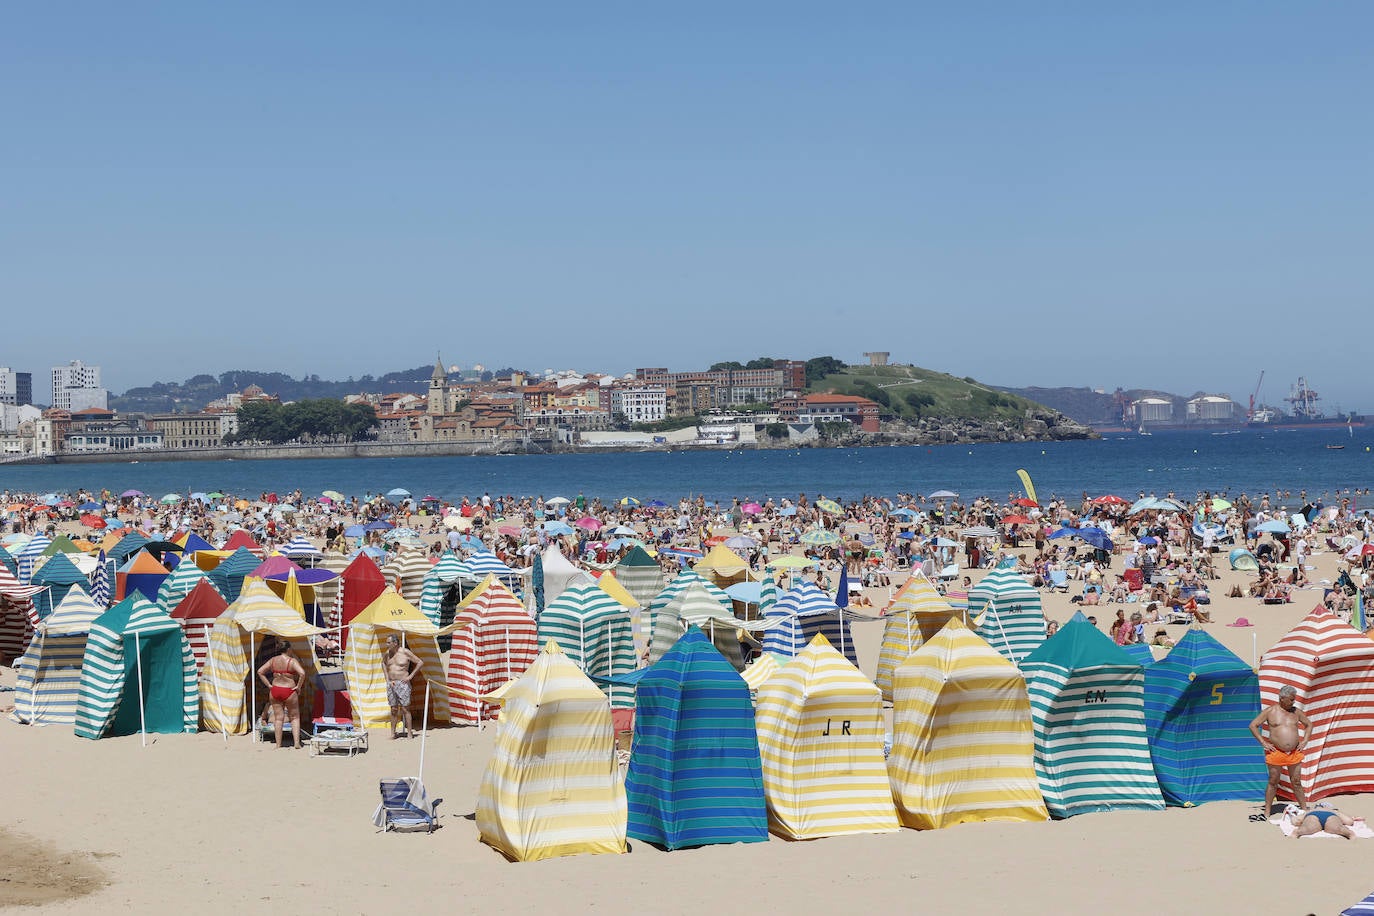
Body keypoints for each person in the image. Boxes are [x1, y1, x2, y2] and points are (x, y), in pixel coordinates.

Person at [1250, 685, 1312, 816]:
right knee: (1273, 781)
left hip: (1294, 752)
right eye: (1291, 699)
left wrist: (1305, 740)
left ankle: (1304, 808)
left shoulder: (1296, 712)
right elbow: (1253, 725)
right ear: (1282, 698)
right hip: (1276, 751)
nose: (1293, 702)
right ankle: (1267, 811)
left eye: (1294, 699)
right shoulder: (1271, 711)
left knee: (1296, 781)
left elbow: (1309, 724)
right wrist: (1263, 742)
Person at [256, 637, 305, 749]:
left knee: (278, 718)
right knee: (294, 717)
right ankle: (296, 743)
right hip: (289, 690)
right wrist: (298, 686)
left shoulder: (273, 660)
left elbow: (260, 671)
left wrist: (268, 685)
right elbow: (302, 673)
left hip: (275, 690)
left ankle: (278, 744)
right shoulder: (292, 661)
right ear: (288, 649)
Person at [383, 634, 422, 739]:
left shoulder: (405, 652)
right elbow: (383, 663)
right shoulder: (388, 653)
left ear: (395, 643)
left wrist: (410, 676)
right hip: (392, 683)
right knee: (393, 709)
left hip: (403, 683)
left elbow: (419, 662)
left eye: (388, 642)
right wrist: (387, 679)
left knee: (405, 708)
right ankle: (393, 732)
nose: (386, 644)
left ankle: (409, 732)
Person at [1287, 805, 1358, 840]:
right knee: (1336, 828)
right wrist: (1353, 818)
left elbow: (1295, 821)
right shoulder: (1334, 811)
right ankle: (1349, 833)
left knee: (1308, 828)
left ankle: (1297, 832)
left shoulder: (1311, 810)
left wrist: (1296, 819)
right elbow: (1349, 822)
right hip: (1331, 815)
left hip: (1313, 814)